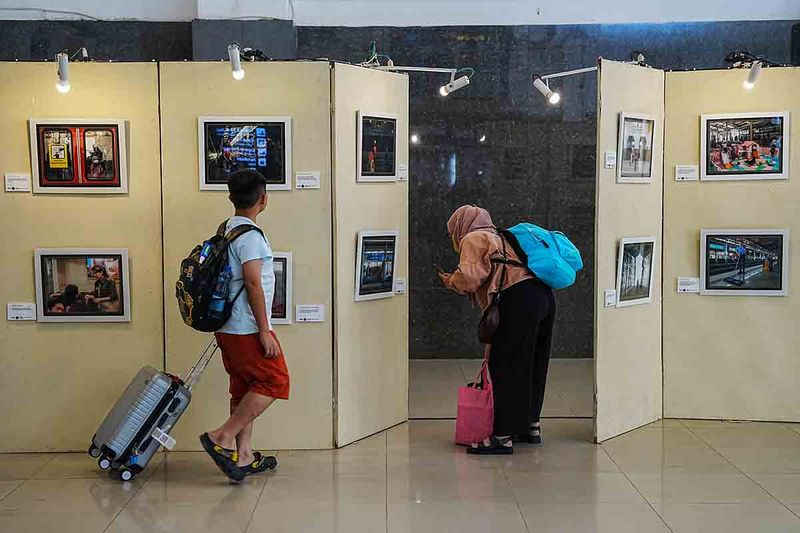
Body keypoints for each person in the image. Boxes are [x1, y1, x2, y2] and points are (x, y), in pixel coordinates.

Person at [439, 205, 556, 455]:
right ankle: (529, 426)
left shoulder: (473, 238)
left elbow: (470, 278)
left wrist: (451, 281)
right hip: (543, 297)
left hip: (518, 301)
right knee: (534, 362)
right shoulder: (502, 236)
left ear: (461, 225)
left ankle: (501, 436)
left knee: (505, 365)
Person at [200, 169, 290, 482]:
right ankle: (222, 437)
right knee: (274, 380)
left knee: (244, 387)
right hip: (246, 327)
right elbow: (253, 283)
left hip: (228, 325)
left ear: (231, 197)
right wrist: (265, 331)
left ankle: (244, 454)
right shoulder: (250, 237)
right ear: (263, 199)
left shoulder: (227, 229)